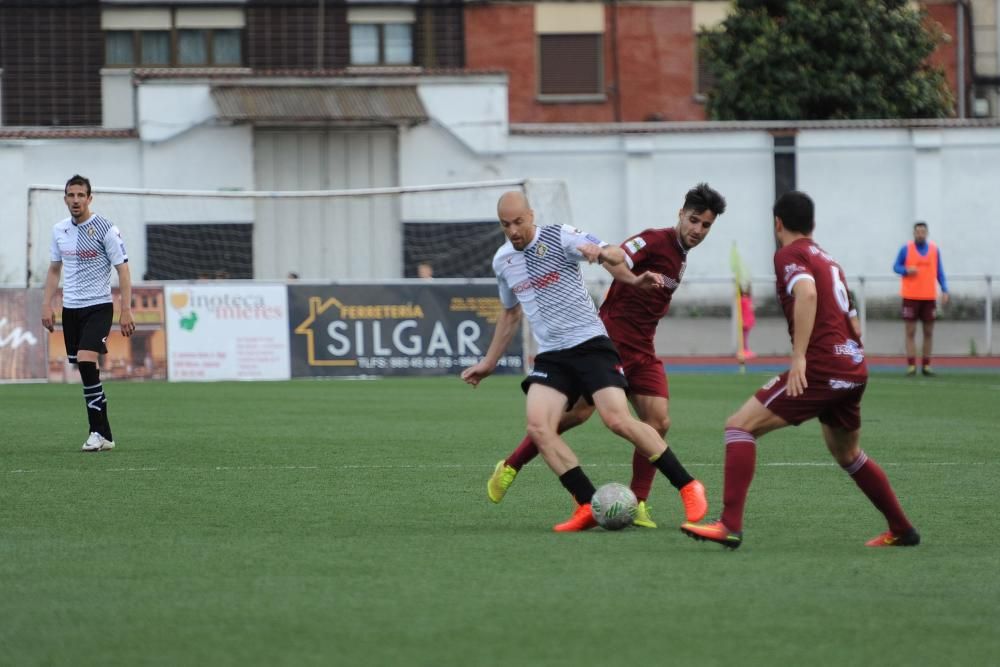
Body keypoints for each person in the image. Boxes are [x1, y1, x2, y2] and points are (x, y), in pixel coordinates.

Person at [681, 191, 919, 549]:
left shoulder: (789, 254)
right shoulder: (828, 260)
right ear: (813, 224)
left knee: (738, 427)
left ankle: (729, 524)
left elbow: (806, 294)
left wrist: (800, 358)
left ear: (777, 223)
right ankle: (902, 528)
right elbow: (854, 323)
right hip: (853, 366)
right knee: (848, 454)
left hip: (822, 368)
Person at [462, 191, 707, 532]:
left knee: (617, 420)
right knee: (539, 426)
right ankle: (586, 504)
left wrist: (603, 253)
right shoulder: (503, 261)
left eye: (519, 222)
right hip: (552, 355)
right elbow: (510, 313)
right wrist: (488, 363)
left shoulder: (559, 235)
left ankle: (688, 486)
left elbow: (614, 253)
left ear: (531, 216)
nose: (514, 231)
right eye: (506, 225)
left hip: (590, 343)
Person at [42, 175, 135, 452]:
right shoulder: (59, 230)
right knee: (87, 370)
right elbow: (54, 269)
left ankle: (96, 431)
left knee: (85, 361)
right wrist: (46, 304)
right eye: (71, 195)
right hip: (71, 309)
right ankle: (105, 434)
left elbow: (123, 269)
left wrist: (126, 310)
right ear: (65, 199)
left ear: (90, 198)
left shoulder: (105, 228)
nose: (76, 200)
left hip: (98, 306)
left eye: (81, 195)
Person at [893, 221, 949, 376]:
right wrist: (905, 270)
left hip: (929, 296)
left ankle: (926, 365)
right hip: (910, 296)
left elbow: (940, 271)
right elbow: (895, 266)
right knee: (910, 331)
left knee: (928, 332)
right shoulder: (906, 249)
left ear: (927, 233)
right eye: (917, 232)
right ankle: (911, 365)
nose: (920, 234)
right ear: (914, 233)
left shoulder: (934, 250)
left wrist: (945, 289)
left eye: (923, 232)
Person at [740, 283, 756, 360]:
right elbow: (743, 312)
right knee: (744, 337)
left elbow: (750, 311)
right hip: (745, 322)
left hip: (748, 321)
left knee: (745, 336)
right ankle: (744, 350)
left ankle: (745, 349)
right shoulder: (742, 300)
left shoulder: (749, 299)